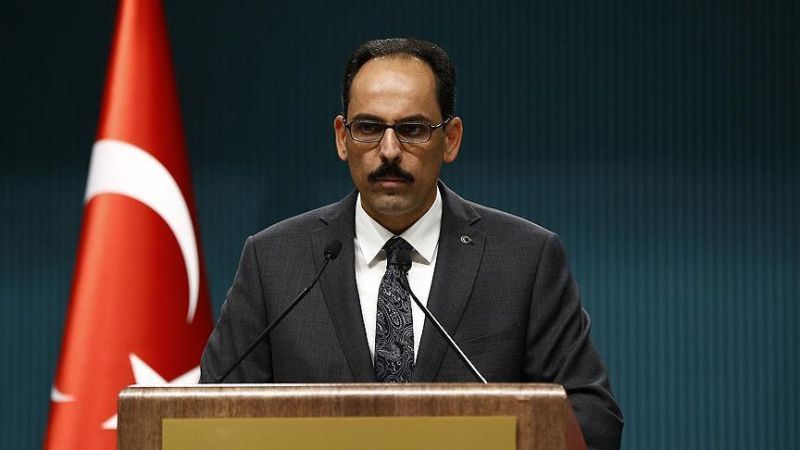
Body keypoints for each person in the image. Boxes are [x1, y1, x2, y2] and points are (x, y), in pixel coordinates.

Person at [200, 38, 623, 449]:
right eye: (368, 128)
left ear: (450, 138)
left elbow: (593, 421)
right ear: (342, 138)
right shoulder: (273, 261)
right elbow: (209, 419)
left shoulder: (524, 259)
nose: (389, 150)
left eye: (412, 129)